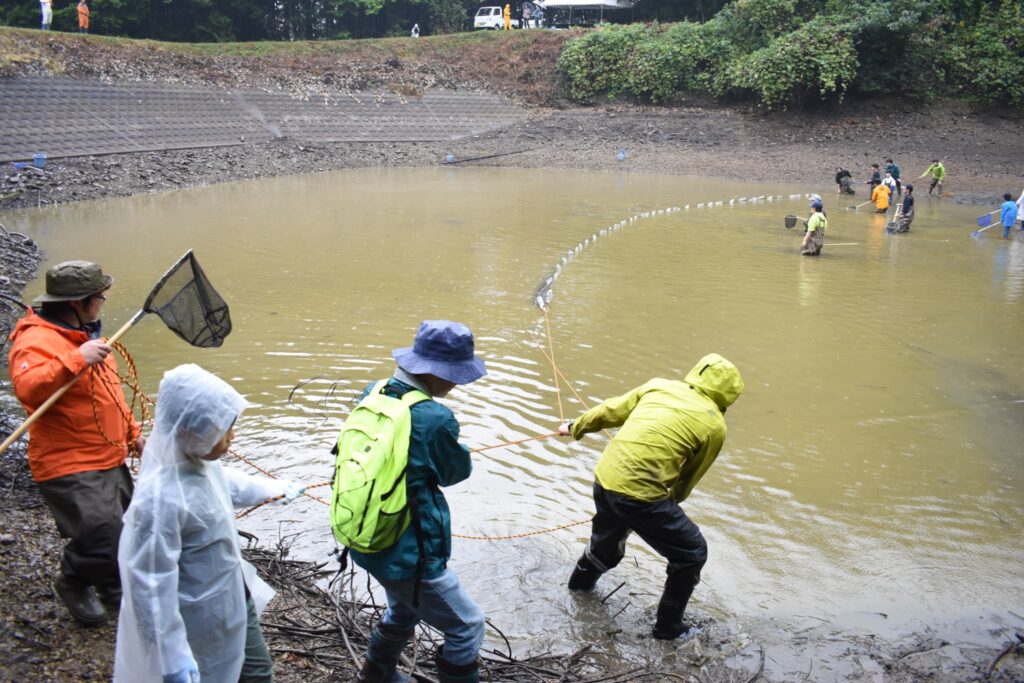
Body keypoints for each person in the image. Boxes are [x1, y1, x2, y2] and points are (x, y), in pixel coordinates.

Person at [114, 364, 305, 683]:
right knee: (212, 671)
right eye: (224, 430)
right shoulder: (158, 501)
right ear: (190, 432)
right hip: (194, 618)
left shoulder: (200, 463)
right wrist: (172, 656)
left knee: (257, 672)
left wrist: (274, 489)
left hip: (232, 596)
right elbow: (150, 584)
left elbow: (230, 484)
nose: (233, 436)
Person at [558, 354, 744, 640]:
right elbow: (687, 479)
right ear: (729, 397)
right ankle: (668, 628)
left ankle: (578, 589)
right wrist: (658, 508)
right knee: (692, 553)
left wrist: (575, 426)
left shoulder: (659, 387)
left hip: (605, 477)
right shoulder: (715, 426)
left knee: (606, 545)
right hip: (640, 494)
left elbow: (610, 410)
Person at [8, 261, 144, 626]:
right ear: (77, 302)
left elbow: (108, 395)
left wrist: (133, 434)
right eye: (99, 297)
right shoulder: (36, 340)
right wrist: (74, 359)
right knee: (101, 536)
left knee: (127, 527)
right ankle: (73, 582)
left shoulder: (86, 335)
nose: (103, 302)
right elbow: (28, 388)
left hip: (108, 454)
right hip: (68, 461)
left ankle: (113, 588)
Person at [353, 321, 487, 683]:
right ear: (435, 372)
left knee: (403, 609)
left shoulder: (374, 390)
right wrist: (460, 451)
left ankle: (376, 676)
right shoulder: (434, 417)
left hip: (366, 533)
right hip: (408, 551)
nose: (457, 384)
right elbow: (453, 473)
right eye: (455, 375)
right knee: (467, 627)